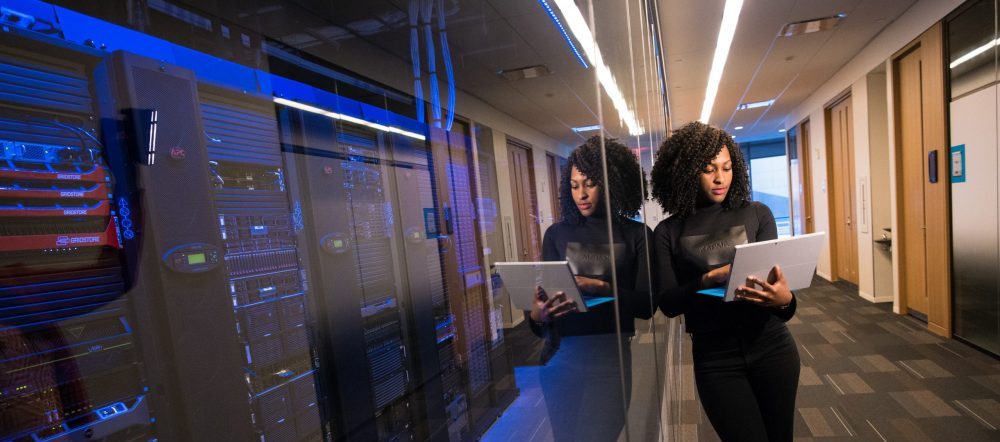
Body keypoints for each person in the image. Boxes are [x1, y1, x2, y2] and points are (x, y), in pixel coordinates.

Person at [650, 122, 800, 441]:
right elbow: (668, 303)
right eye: (709, 170)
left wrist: (785, 299)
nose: (720, 178)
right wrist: (708, 279)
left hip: (772, 346)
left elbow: (779, 304)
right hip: (715, 358)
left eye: (727, 167)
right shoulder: (668, 231)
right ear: (687, 173)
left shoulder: (758, 214)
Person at [528, 136, 654, 441]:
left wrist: (601, 287)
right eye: (573, 186)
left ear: (611, 183)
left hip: (609, 360)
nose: (580, 194)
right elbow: (541, 318)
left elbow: (646, 306)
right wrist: (537, 315)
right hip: (559, 357)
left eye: (589, 184)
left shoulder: (636, 234)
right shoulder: (556, 235)